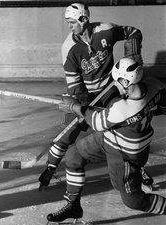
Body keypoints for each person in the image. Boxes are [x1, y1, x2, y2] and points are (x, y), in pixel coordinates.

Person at [38, 3, 154, 189]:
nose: (69, 26)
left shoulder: (105, 31)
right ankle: (50, 168)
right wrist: (83, 106)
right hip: (85, 94)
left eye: (72, 22)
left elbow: (133, 32)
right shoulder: (69, 48)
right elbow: (74, 84)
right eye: (68, 22)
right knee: (67, 133)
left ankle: (135, 167)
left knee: (118, 129)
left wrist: (132, 54)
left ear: (84, 19)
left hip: (111, 89)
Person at [46, 58, 166, 224]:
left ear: (126, 81)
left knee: (133, 201)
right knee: (74, 155)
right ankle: (73, 205)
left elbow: (97, 122)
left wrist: (73, 106)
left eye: (116, 82)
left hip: (125, 156)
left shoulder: (123, 108)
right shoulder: (154, 85)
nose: (114, 85)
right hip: (110, 138)